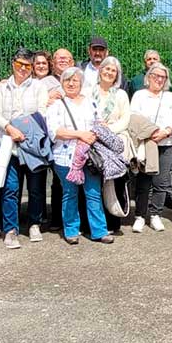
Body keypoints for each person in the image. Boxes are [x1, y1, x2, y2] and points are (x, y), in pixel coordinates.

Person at [45, 67, 113, 244]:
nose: (71, 83)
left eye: (75, 80)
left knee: (93, 193)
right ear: (62, 83)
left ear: (81, 83)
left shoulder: (90, 102)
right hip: (65, 157)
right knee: (70, 193)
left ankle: (99, 231)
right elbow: (55, 131)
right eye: (67, 80)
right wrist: (80, 135)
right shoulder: (56, 105)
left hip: (89, 156)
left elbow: (99, 123)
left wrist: (99, 130)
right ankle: (71, 230)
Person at [0, 49, 49, 248]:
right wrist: (9, 128)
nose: (23, 69)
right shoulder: (2, 88)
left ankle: (34, 224)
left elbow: (41, 112)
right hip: (9, 144)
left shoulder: (38, 87)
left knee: (35, 189)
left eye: (27, 66)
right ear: (12, 64)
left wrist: (21, 128)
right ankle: (10, 230)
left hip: (31, 144)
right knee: (10, 189)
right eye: (19, 65)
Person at [130, 64, 172, 232]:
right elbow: (134, 117)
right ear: (149, 77)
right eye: (156, 76)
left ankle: (156, 215)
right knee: (143, 181)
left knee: (161, 181)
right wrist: (150, 132)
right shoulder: (139, 95)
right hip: (146, 144)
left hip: (167, 144)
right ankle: (139, 215)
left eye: (163, 77)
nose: (159, 79)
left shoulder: (169, 97)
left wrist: (166, 132)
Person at [87, 56, 131, 233]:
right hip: (93, 141)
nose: (109, 72)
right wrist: (97, 131)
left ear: (117, 75)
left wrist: (108, 129)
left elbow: (125, 118)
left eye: (113, 70)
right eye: (106, 69)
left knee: (114, 182)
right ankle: (93, 224)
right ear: (100, 70)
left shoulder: (120, 94)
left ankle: (113, 222)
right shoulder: (89, 91)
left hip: (113, 141)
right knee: (93, 183)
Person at [44, 48, 76, 231]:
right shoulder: (43, 81)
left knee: (74, 181)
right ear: (53, 63)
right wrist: (47, 97)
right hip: (50, 136)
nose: (62, 61)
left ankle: (73, 220)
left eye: (66, 58)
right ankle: (56, 218)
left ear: (72, 62)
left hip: (73, 139)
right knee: (57, 181)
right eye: (58, 58)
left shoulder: (78, 78)